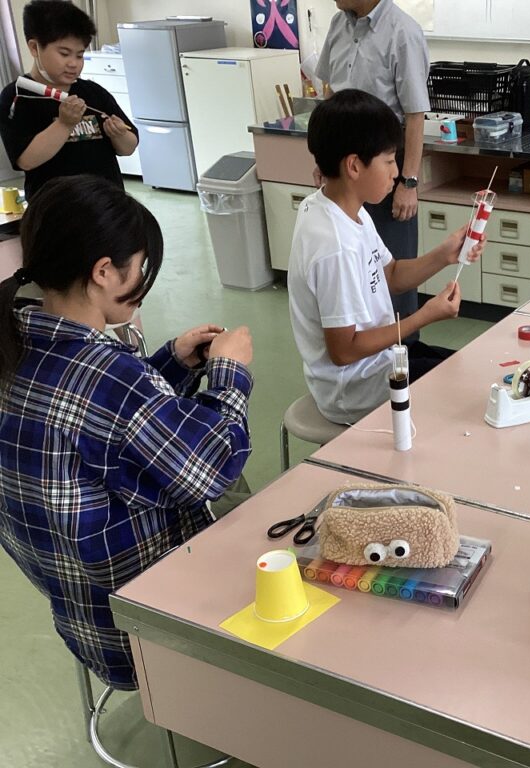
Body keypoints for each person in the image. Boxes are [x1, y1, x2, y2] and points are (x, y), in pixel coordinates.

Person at [0, 176, 253, 690]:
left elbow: (106, 430)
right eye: (138, 267)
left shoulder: (16, 340)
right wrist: (230, 374)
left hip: (81, 616)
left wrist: (172, 363)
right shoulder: (110, 377)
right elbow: (212, 465)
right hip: (149, 632)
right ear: (103, 272)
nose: (142, 279)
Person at [288, 90, 482, 426]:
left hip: (381, 361)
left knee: (471, 369)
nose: (396, 173)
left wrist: (444, 254)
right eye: (389, 161)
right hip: (356, 389)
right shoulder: (334, 246)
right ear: (354, 166)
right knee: (467, 396)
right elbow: (344, 351)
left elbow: (389, 274)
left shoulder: (346, 209)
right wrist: (423, 316)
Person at [316, 0, 430, 343]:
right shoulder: (338, 25)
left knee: (391, 275)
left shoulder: (402, 32)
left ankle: (403, 355)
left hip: (384, 169)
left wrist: (408, 182)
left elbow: (415, 115)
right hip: (343, 172)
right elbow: (330, 96)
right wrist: (324, 158)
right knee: (351, 271)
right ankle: (358, 348)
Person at [0, 0, 138, 200]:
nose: (74, 64)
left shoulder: (93, 92)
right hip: (55, 207)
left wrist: (119, 135)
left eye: (80, 55)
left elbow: (129, 147)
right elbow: (26, 160)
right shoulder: (16, 97)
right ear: (34, 48)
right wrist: (64, 124)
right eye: (64, 54)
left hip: (106, 203)